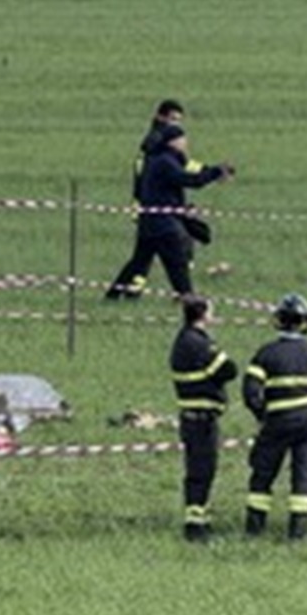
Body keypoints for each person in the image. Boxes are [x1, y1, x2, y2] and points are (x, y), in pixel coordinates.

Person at [242, 293, 307, 540]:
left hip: (277, 423)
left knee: (263, 475)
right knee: (303, 478)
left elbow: (250, 391)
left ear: (279, 320)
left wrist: (263, 414)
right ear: (305, 322)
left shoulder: (266, 354)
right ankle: (297, 532)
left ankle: (254, 530)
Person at [123, 124, 234, 298]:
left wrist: (214, 172)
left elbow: (192, 173)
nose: (185, 142)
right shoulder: (165, 162)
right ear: (172, 142)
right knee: (176, 263)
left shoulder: (164, 159)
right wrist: (216, 172)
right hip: (162, 223)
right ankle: (188, 299)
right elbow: (189, 180)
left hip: (150, 221)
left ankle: (114, 296)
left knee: (139, 262)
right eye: (182, 138)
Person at [170, 294, 238, 541]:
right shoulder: (198, 343)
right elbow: (229, 369)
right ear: (203, 315)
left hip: (193, 417)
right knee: (202, 470)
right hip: (201, 419)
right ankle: (195, 527)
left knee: (200, 470)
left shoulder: (184, 340)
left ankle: (200, 518)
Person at [106, 100, 188, 300]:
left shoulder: (162, 139)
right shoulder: (157, 142)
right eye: (172, 119)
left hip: (155, 207)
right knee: (170, 255)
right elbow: (176, 173)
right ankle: (185, 296)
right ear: (160, 116)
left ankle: (119, 292)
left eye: (178, 121)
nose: (175, 125)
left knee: (142, 256)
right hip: (154, 207)